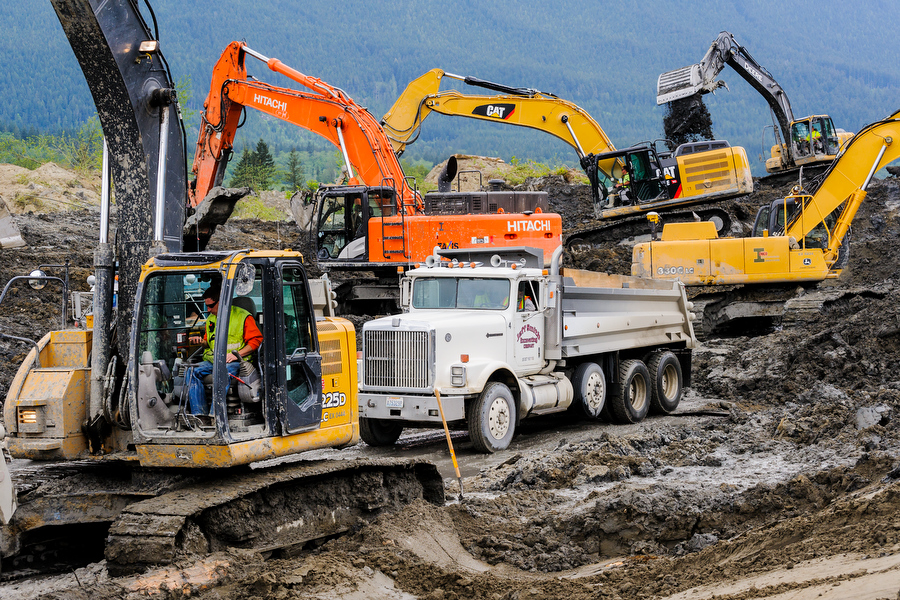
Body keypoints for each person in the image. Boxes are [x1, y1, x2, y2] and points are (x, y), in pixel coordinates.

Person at [186, 284, 263, 416]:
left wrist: (236, 355)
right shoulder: (211, 319)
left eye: (211, 306)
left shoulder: (243, 317)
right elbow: (208, 343)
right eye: (207, 306)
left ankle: (215, 415)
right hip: (214, 360)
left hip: (237, 362)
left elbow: (256, 341)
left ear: (221, 302)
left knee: (222, 372)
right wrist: (201, 342)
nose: (208, 310)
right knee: (191, 370)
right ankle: (199, 415)